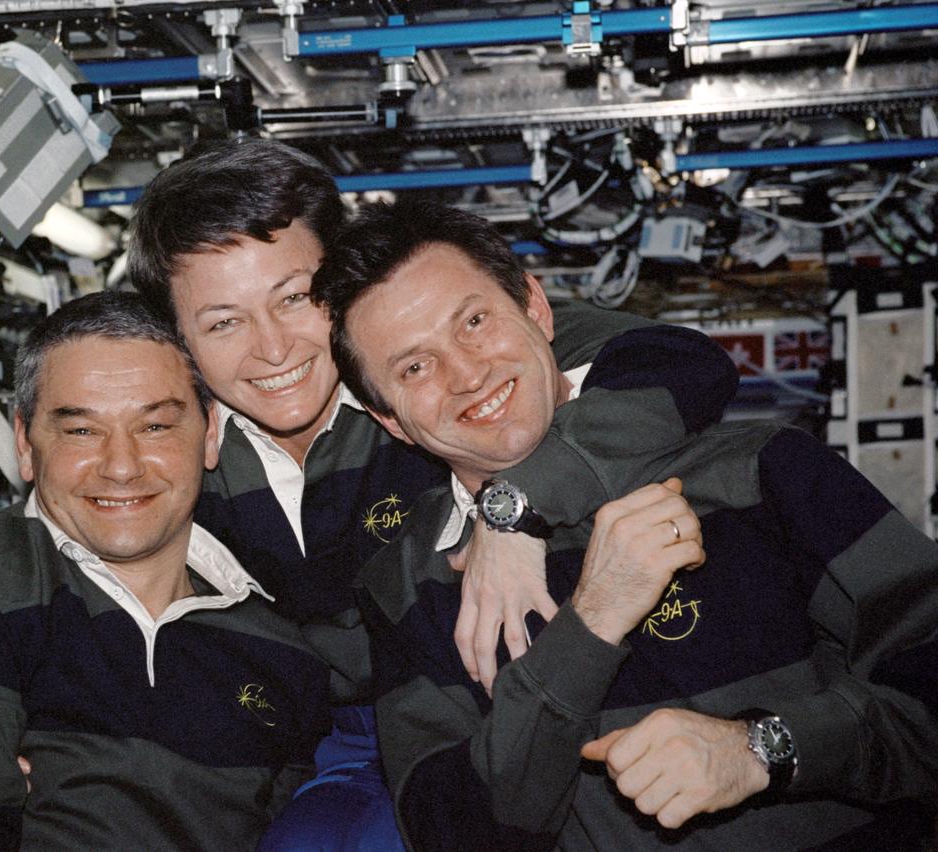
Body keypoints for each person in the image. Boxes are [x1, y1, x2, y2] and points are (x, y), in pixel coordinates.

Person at [127, 139, 740, 849]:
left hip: (481, 706)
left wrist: (514, 509)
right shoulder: (167, 443)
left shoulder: (434, 362)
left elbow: (680, 364)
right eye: (224, 322)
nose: (273, 350)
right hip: (323, 742)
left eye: (294, 298)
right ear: (178, 339)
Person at [313, 197, 938, 849]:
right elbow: (455, 834)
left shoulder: (764, 471)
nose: (467, 374)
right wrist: (589, 627)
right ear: (388, 417)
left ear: (536, 307)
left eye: (474, 321)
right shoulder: (404, 586)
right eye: (415, 366)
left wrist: (765, 749)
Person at [0, 291, 330, 850]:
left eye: (155, 427)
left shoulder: (280, 645)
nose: (121, 466)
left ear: (210, 434)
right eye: (81, 430)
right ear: (26, 443)